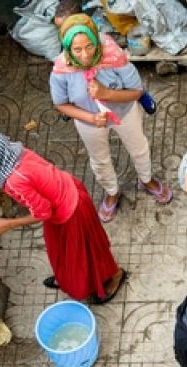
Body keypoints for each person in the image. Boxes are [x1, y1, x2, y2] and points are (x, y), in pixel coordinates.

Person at [0, 129, 127, 304]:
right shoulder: (17, 152)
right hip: (70, 192)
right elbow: (1, 164)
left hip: (72, 212)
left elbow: (43, 213)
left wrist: (9, 224)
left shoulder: (15, 182)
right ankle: (66, 278)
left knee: (87, 251)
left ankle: (115, 275)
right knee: (63, 248)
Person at [49, 14, 171, 223]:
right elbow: (61, 104)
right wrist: (89, 117)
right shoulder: (61, 69)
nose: (85, 55)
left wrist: (107, 94)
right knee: (99, 159)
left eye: (90, 46)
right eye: (77, 49)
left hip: (125, 112)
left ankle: (146, 180)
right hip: (89, 122)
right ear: (67, 48)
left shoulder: (114, 56)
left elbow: (136, 91)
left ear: (96, 40)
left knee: (139, 147)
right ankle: (112, 191)